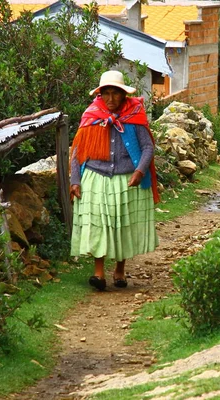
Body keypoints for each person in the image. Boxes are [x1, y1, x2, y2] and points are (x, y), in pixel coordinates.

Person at [69, 70, 160, 291]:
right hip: (95, 176)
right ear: (100, 95)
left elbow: (148, 146)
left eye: (115, 93)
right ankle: (98, 273)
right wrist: (75, 180)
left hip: (126, 178)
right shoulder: (91, 116)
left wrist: (139, 171)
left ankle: (120, 269)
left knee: (122, 225)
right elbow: (77, 151)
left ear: (123, 95)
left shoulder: (134, 116)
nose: (110, 99)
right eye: (106, 93)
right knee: (98, 224)